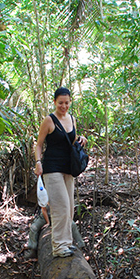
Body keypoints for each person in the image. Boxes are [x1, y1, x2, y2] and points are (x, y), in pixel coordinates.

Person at [35, 87, 87, 257]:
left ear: (70, 102)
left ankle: (67, 243)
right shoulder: (49, 120)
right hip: (52, 168)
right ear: (55, 102)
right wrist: (37, 162)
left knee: (70, 207)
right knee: (60, 207)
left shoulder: (72, 119)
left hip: (68, 168)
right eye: (60, 103)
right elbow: (38, 145)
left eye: (66, 103)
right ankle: (58, 247)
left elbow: (71, 142)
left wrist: (81, 140)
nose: (63, 106)